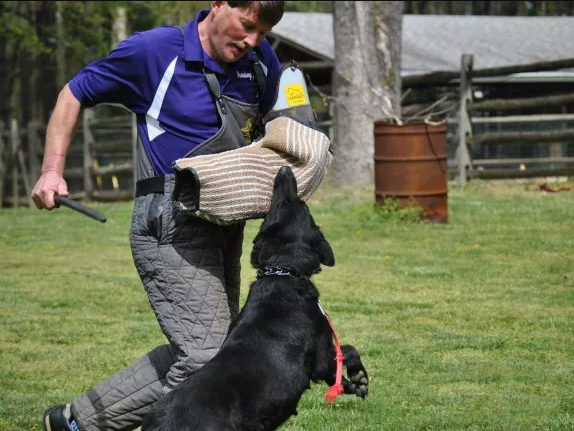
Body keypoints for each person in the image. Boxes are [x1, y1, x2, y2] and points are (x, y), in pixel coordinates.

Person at [33, 2, 285, 430]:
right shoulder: (154, 51)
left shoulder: (261, 60)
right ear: (219, 4)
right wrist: (52, 170)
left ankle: (73, 423)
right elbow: (75, 91)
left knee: (213, 346)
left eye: (262, 32)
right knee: (205, 355)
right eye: (246, 26)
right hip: (168, 218)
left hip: (226, 221)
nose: (252, 41)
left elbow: (282, 122)